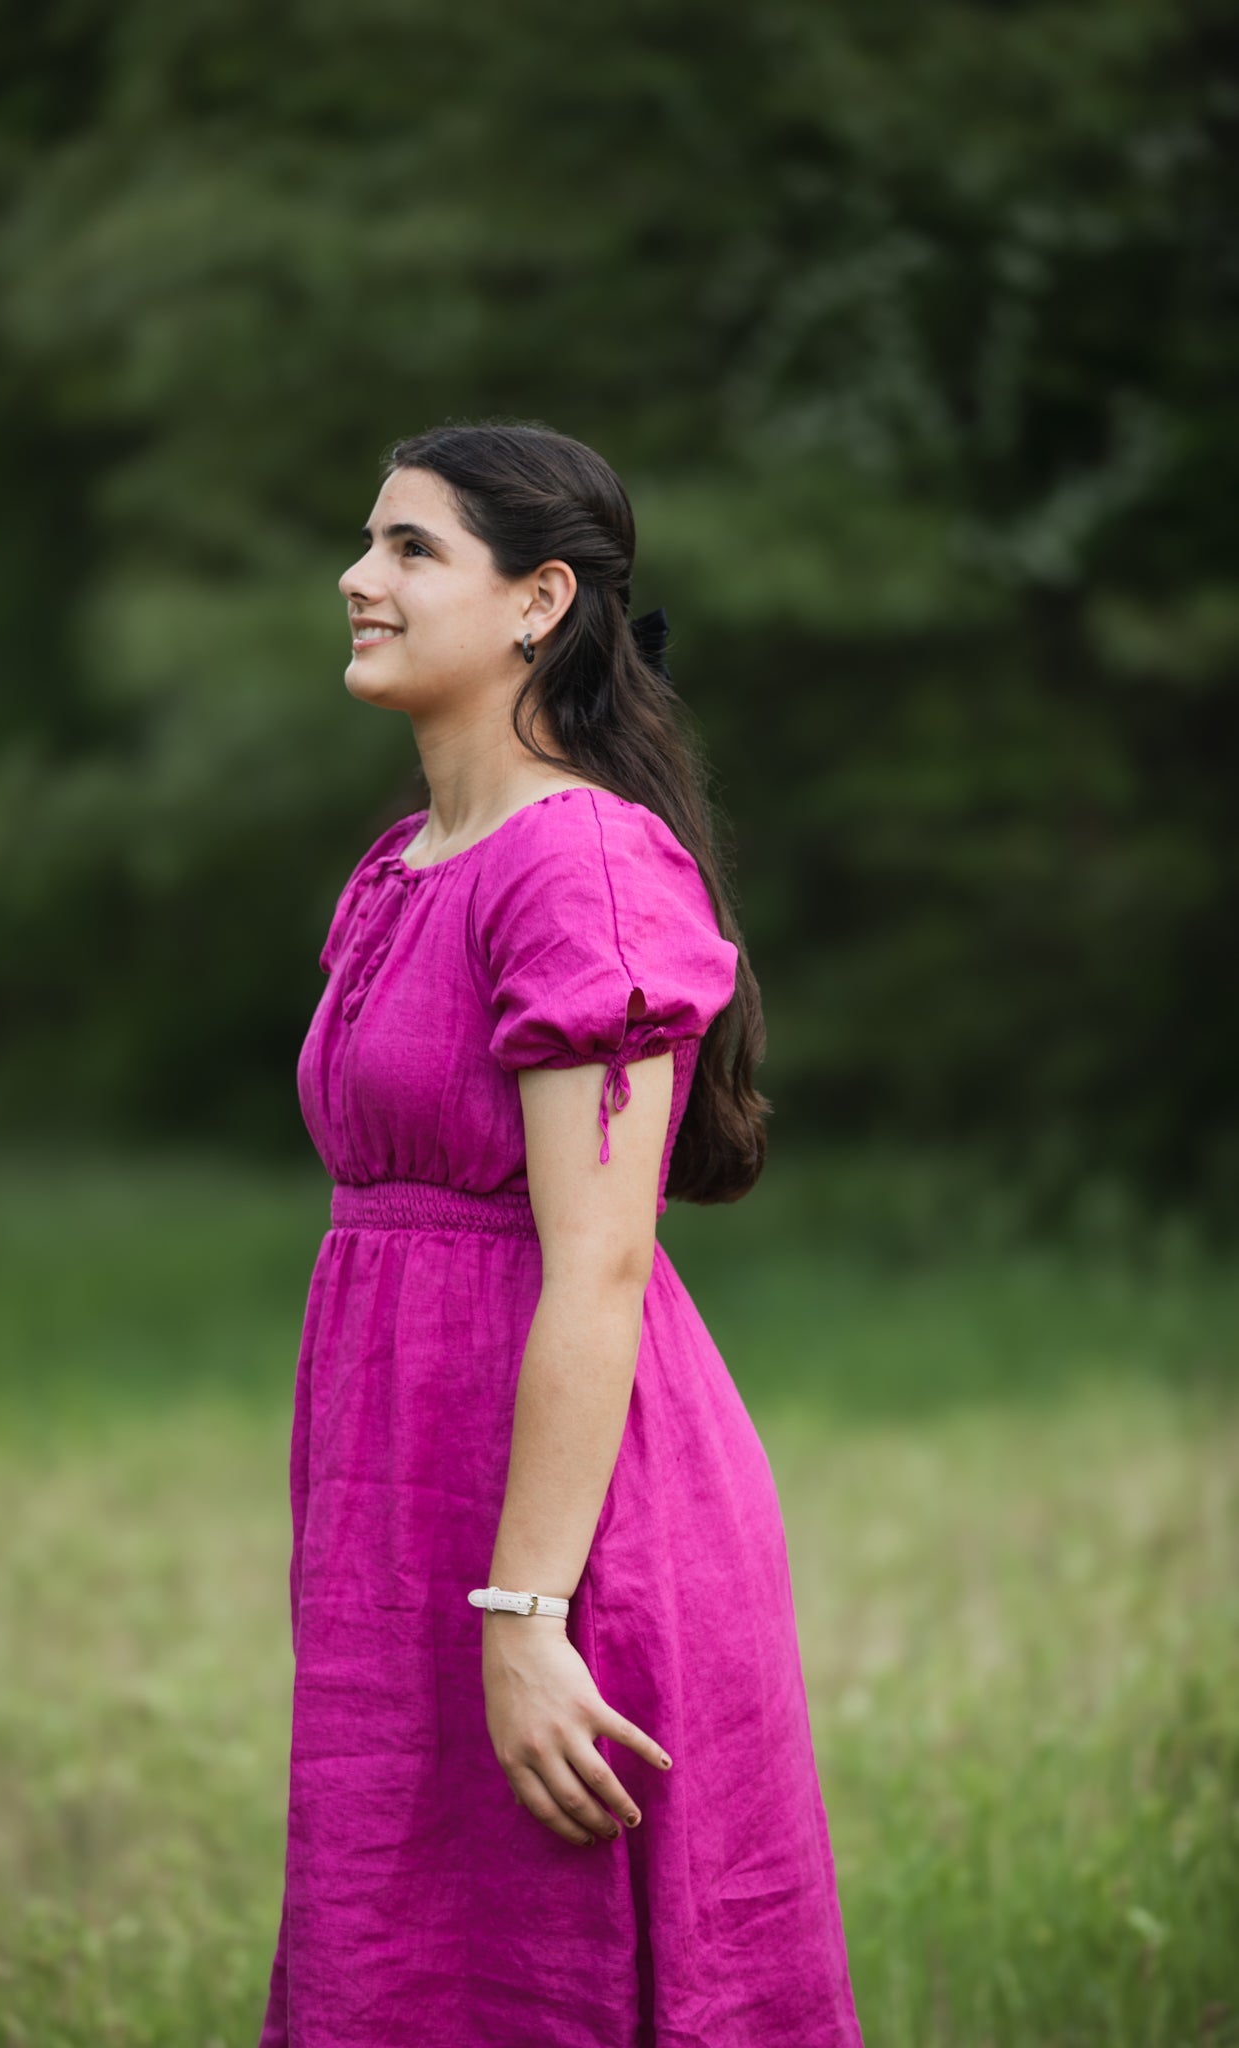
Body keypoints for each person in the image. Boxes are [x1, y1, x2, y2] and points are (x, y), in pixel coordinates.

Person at [258, 420, 864, 2046]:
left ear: (537, 603)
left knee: (561, 1961)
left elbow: (593, 1259)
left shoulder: (582, 867)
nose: (355, 579)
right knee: (410, 1942)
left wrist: (527, 1618)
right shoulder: (402, 868)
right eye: (365, 543)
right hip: (410, 1494)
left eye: (407, 550)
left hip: (568, 1532)